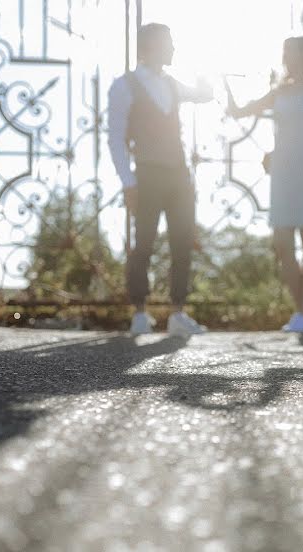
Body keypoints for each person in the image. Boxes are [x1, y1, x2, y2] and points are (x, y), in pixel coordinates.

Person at [227, 36, 303, 333]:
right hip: (283, 172)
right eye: (284, 53)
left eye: (289, 52)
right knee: (282, 241)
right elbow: (242, 110)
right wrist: (227, 95)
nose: (285, 58)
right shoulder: (280, 90)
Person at [107, 23, 213, 337]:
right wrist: (128, 183)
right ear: (151, 45)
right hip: (148, 175)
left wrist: (208, 71)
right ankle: (140, 313)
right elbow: (115, 139)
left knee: (183, 242)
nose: (174, 49)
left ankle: (178, 313)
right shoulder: (124, 85)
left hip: (179, 175)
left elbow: (204, 94)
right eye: (169, 43)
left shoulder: (172, 84)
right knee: (144, 244)